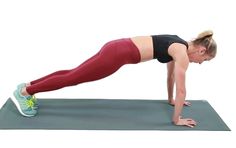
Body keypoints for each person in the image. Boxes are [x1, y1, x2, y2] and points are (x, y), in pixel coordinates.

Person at [12, 30, 217, 128]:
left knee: (73, 73)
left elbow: (171, 76)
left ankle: (29, 86)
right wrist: (176, 119)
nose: (200, 63)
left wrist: (171, 100)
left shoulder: (178, 44)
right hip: (118, 55)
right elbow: (183, 89)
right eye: (204, 59)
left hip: (117, 46)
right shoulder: (182, 54)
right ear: (201, 49)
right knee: (74, 77)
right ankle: (24, 93)